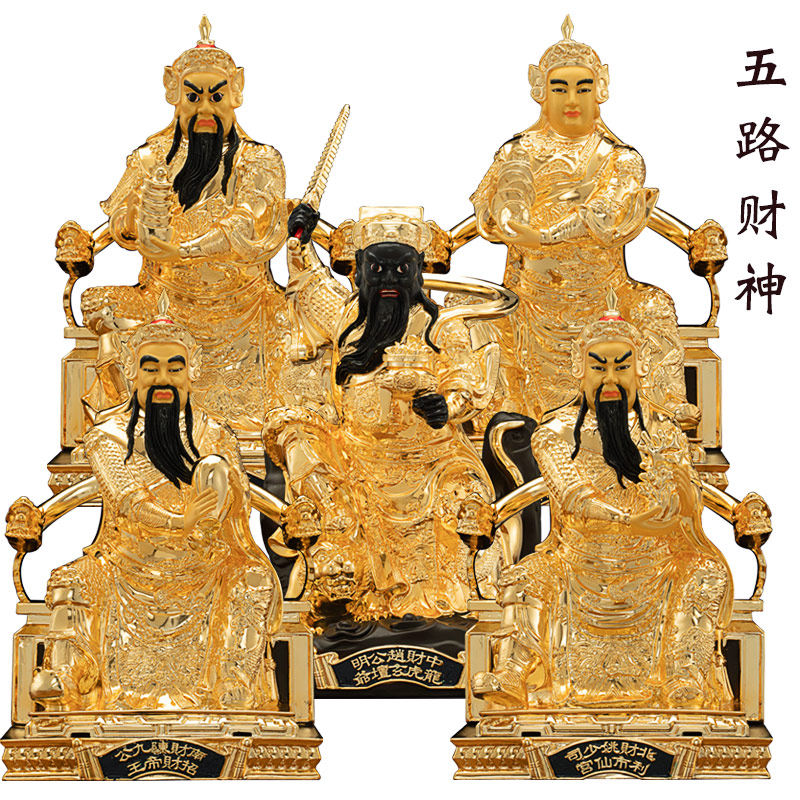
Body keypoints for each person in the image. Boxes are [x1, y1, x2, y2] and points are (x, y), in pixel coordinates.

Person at [67, 18, 325, 434]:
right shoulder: (150, 159)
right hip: (164, 304)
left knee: (313, 328)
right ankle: (128, 431)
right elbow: (119, 224)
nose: (205, 109)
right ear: (173, 91)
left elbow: (245, 224)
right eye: (193, 96)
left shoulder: (260, 161)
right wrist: (115, 229)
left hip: (248, 307)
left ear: (236, 91)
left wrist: (182, 250)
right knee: (98, 304)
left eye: (216, 96)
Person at [472, 297, 734, 709]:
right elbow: (571, 494)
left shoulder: (664, 431)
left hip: (653, 562)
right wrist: (626, 518)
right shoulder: (555, 432)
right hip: (578, 562)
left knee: (705, 573)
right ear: (580, 370)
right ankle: (513, 672)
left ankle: (685, 679)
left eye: (620, 367)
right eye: (598, 367)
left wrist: (685, 501)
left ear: (639, 369)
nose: (610, 379)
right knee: (528, 576)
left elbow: (684, 488)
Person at [29, 296, 282, 711]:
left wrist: (280, 512)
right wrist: (179, 520)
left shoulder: (215, 433)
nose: (163, 378)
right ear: (132, 372)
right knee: (72, 579)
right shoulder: (108, 435)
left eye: (174, 368)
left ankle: (234, 683)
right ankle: (67, 675)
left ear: (192, 373)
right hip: (126, 563)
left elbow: (242, 490)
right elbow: (126, 497)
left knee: (252, 579)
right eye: (151, 368)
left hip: (204, 561)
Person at [263, 206, 507, 620]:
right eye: (377, 270)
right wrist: (299, 240)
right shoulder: (347, 318)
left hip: (431, 463)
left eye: (401, 270)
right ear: (359, 274)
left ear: (419, 274)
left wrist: (447, 406)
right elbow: (311, 283)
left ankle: (441, 607)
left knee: (456, 516)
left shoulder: (443, 328)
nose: (390, 280)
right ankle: (342, 594)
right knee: (295, 431)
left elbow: (466, 378)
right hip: (356, 460)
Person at [470, 17, 713, 427]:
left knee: (655, 305)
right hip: (528, 299)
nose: (572, 99)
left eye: (583, 88)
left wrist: (544, 236)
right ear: (540, 91)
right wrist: (503, 224)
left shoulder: (621, 159)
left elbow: (608, 212)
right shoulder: (517, 152)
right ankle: (481, 410)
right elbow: (502, 203)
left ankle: (664, 411)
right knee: (467, 310)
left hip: (605, 299)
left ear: (600, 90)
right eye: (559, 88)